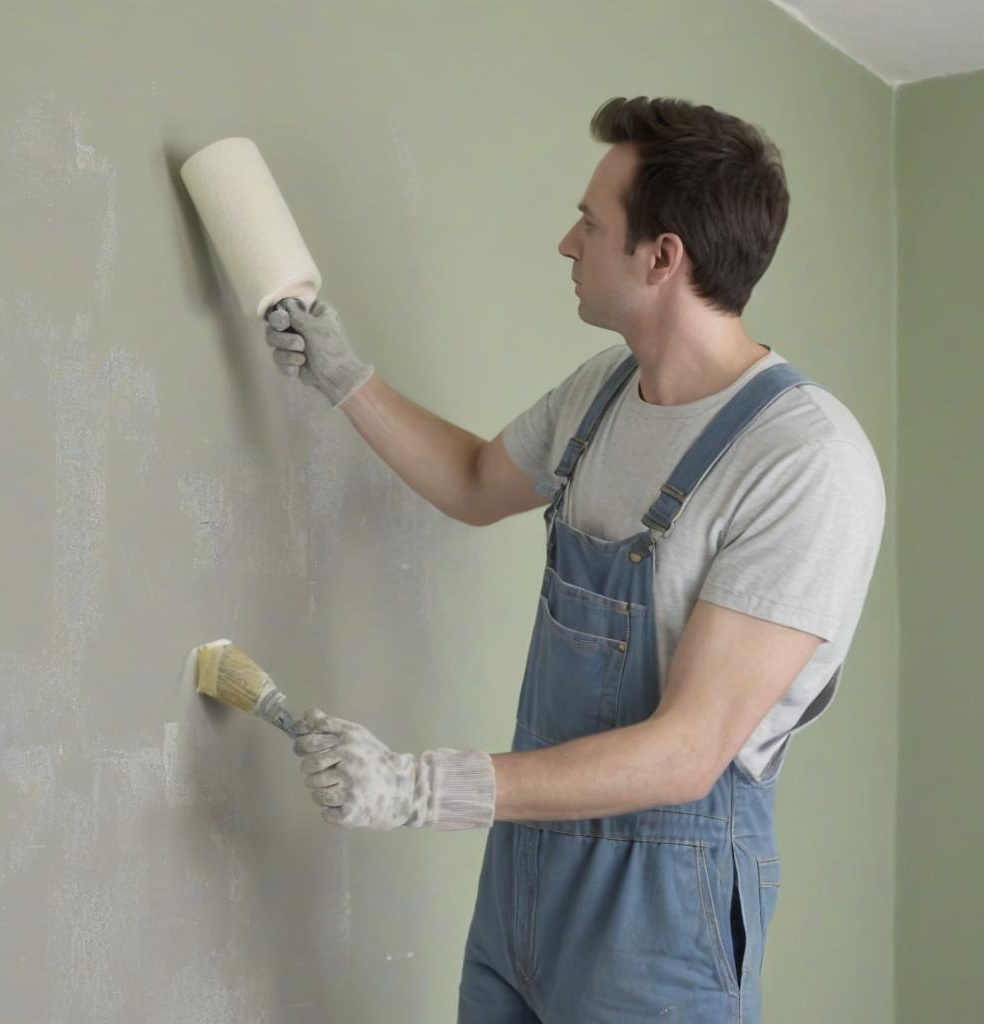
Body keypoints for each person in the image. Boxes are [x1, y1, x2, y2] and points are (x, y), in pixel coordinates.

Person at [267, 96, 886, 1024]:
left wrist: (420, 788)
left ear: (663, 256)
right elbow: (478, 481)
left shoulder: (804, 462)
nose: (568, 242)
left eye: (591, 224)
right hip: (527, 870)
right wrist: (343, 378)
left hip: (662, 908)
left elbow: (687, 752)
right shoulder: (603, 394)